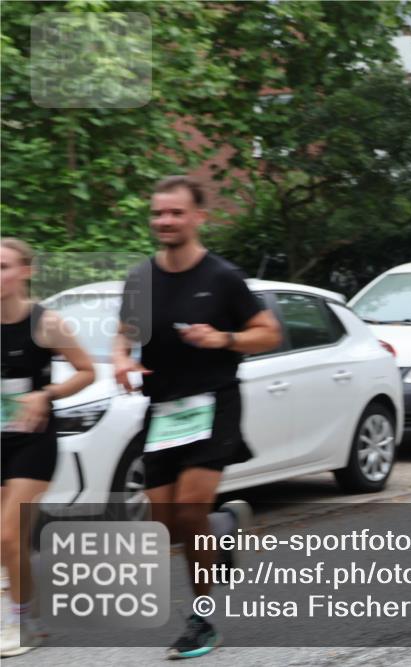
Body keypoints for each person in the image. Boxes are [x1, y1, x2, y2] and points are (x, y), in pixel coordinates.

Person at [113, 176, 281, 659]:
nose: (164, 221)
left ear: (198, 217)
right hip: (163, 408)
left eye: (175, 213)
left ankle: (202, 619)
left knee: (188, 509)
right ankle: (223, 524)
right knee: (166, 521)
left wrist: (224, 339)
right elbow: (125, 332)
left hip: (214, 404)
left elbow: (268, 333)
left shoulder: (222, 277)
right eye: (158, 213)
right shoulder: (141, 278)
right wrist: (122, 358)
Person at [1, 239, 95, 657]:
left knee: (7, 534)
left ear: (25, 272)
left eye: (4, 266)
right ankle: (27, 618)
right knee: (9, 540)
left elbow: (87, 372)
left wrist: (46, 394)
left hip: (34, 440)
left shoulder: (46, 322)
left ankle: (18, 624)